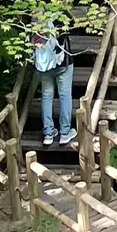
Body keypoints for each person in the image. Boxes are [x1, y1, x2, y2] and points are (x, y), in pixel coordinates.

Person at [32, 17, 75, 147]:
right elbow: (72, 25)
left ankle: (48, 134)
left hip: (43, 64)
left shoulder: (34, 16)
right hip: (62, 63)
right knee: (65, 96)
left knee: (46, 97)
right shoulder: (59, 16)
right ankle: (65, 133)